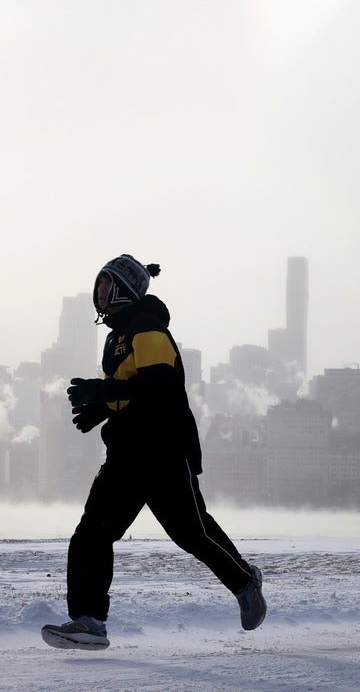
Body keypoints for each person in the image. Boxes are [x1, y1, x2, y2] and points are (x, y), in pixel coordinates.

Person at [41, 254, 266, 651]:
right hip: (126, 454)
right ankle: (89, 621)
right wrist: (101, 408)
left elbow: (160, 388)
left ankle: (246, 582)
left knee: (193, 535)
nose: (99, 293)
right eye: (98, 285)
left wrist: (104, 392)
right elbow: (131, 390)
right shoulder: (118, 335)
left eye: (106, 285)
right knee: (92, 533)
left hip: (162, 452)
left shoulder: (148, 330)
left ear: (125, 290)